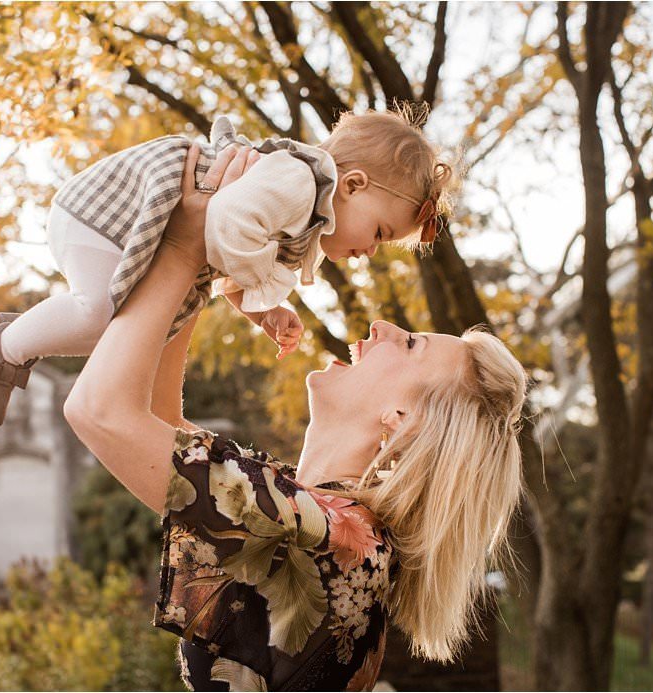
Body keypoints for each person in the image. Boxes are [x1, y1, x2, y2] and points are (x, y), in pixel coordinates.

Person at [62, 148, 526, 690]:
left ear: (400, 423)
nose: (381, 327)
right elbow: (159, 421)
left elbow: (101, 411)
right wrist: (207, 265)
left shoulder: (316, 530)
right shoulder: (326, 524)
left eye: (411, 343)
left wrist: (186, 245)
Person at [0, 107, 457, 428]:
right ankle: (4, 347)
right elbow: (225, 222)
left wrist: (261, 311)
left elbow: (225, 260)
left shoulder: (305, 217)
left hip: (136, 229)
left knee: (134, 330)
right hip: (109, 215)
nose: (370, 252)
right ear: (351, 184)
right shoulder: (299, 183)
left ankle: (24, 334)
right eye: (379, 234)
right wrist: (265, 287)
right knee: (103, 319)